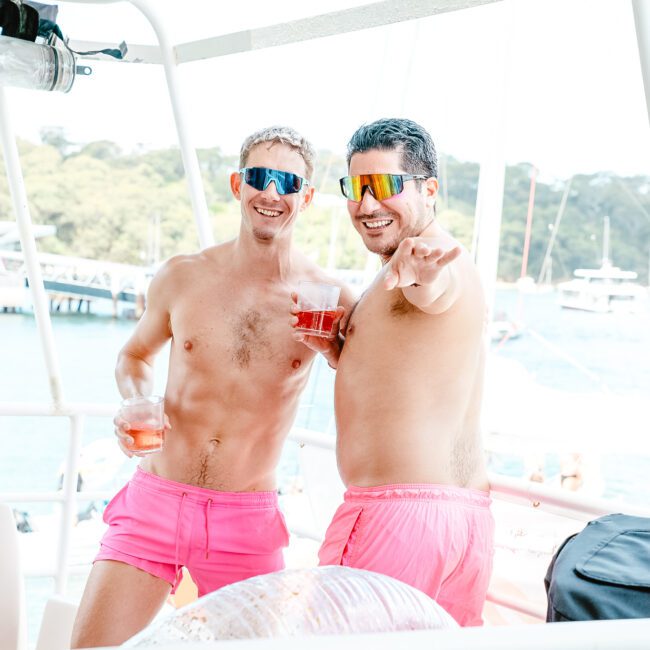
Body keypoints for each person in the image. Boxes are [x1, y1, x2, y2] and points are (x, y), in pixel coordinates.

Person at [71, 126, 353, 648]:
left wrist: (335, 353)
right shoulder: (183, 276)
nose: (271, 193)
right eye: (259, 177)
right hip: (155, 500)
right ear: (236, 185)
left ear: (307, 197)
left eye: (287, 182)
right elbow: (134, 355)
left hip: (247, 520)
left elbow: (370, 381)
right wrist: (136, 399)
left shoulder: (329, 297)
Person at [295, 118, 494, 627]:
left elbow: (433, 285)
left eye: (384, 186)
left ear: (428, 189)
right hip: (461, 522)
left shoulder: (429, 257)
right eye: (355, 188)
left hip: (397, 519)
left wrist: (423, 277)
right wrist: (341, 352)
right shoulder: (396, 271)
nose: (366, 205)